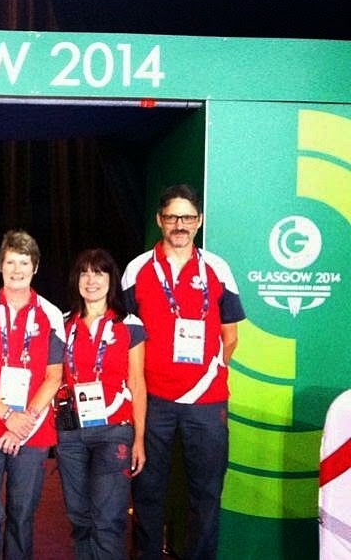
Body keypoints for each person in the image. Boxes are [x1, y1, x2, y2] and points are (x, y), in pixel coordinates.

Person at [121, 184, 245, 560]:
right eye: (172, 216)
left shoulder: (218, 268)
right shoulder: (137, 269)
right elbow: (127, 336)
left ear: (199, 221)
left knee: (206, 492)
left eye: (188, 217)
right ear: (160, 220)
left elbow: (231, 333)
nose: (180, 224)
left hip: (206, 401)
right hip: (152, 398)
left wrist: (208, 372)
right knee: (147, 489)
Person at [0, 230, 65, 560]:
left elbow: (54, 378)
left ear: (35, 267)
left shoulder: (51, 315)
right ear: (0, 267)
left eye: (24, 262)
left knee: (22, 516)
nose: (16, 269)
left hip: (32, 432)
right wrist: (8, 415)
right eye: (10, 262)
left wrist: (23, 422)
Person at [55, 248, 147, 559]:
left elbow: (137, 382)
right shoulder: (63, 324)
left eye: (99, 272)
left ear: (111, 279)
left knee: (108, 520)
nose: (91, 280)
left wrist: (140, 439)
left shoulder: (129, 324)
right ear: (76, 279)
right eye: (85, 273)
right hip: (71, 434)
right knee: (79, 519)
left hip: (114, 431)